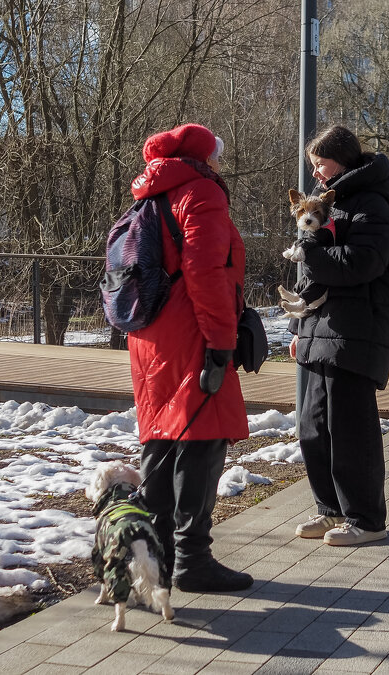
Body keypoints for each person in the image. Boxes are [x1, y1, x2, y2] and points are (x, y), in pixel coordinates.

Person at [127, 123, 253, 592]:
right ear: (203, 157)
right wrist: (222, 339)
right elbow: (205, 271)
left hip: (150, 334)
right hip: (192, 331)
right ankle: (193, 561)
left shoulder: (151, 194)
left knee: (162, 440)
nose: (221, 163)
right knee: (203, 436)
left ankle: (156, 557)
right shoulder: (200, 192)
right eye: (217, 154)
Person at [287, 125, 389, 546]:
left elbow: (362, 263)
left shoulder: (372, 203)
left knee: (350, 428)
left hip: (359, 330)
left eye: (321, 163)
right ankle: (332, 510)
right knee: (314, 426)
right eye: (313, 165)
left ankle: (366, 519)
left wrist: (312, 249)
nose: (316, 173)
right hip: (322, 329)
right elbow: (309, 276)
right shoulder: (328, 205)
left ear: (345, 159)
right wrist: (298, 327)